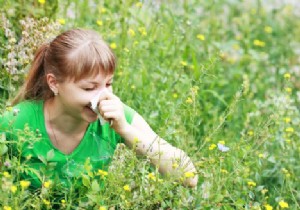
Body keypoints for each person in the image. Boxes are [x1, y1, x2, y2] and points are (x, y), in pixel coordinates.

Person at [0, 29, 198, 189]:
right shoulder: (15, 121)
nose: (103, 96)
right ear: (54, 83)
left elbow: (189, 177)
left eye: (108, 84)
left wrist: (125, 130)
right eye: (89, 88)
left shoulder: (117, 116)